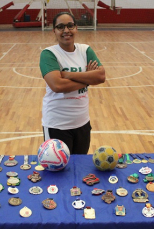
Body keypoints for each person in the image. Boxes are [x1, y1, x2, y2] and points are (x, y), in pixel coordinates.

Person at [39, 12, 105, 155]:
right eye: (60, 27)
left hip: (82, 123)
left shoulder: (85, 50)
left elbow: (100, 76)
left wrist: (68, 75)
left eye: (70, 26)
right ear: (54, 31)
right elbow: (58, 86)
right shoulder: (48, 54)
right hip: (57, 125)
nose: (66, 31)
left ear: (76, 28)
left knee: (79, 168)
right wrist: (88, 78)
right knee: (59, 172)